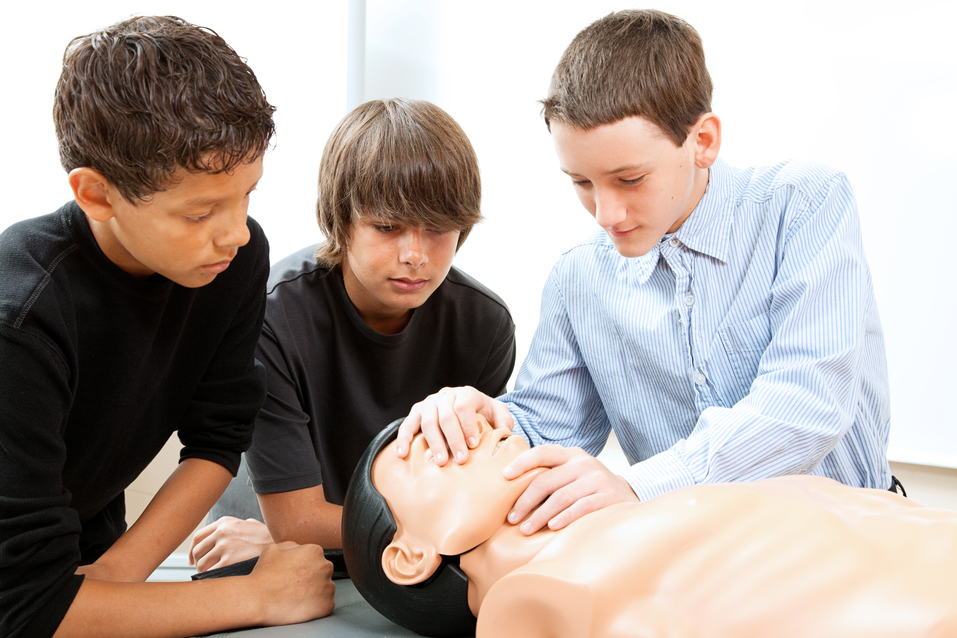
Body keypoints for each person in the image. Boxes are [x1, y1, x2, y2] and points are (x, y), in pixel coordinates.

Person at [397, 9, 892, 539]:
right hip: (689, 557)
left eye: (629, 179)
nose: (606, 214)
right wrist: (487, 418)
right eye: (581, 182)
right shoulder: (578, 277)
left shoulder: (804, 205)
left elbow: (805, 404)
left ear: (702, 140)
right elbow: (549, 425)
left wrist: (637, 486)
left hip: (849, 543)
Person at [0, 16, 333, 638]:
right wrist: (262, 599)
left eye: (247, 196)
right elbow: (21, 609)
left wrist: (118, 573)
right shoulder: (21, 319)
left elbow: (217, 435)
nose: (235, 232)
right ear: (96, 195)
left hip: (78, 553)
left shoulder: (230, 259)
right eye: (200, 211)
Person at [188, 98, 516, 572]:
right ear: (341, 219)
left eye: (439, 229)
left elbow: (471, 497)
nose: (415, 255)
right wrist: (292, 538)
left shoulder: (484, 325)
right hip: (257, 549)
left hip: (400, 563)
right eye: (387, 227)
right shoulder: (271, 318)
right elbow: (297, 522)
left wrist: (301, 537)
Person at [344, 419, 957, 638]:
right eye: (430, 449)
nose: (470, 431)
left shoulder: (625, 518)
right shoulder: (540, 604)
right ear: (409, 556)